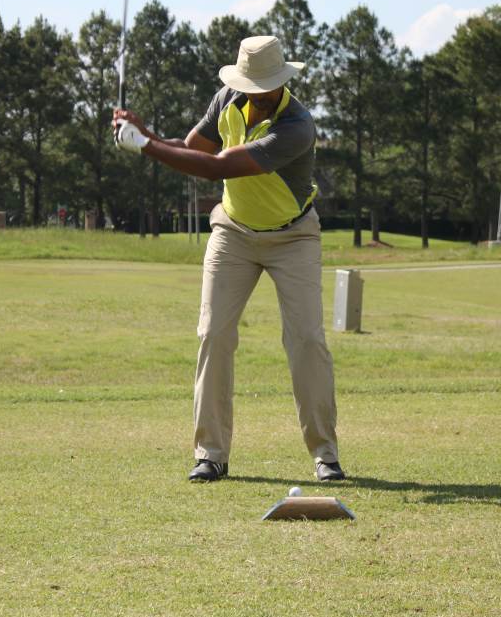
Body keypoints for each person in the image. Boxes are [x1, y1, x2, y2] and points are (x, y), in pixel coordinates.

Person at [112, 35, 344, 483]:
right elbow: (195, 148)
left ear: (280, 84)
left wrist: (143, 147)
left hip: (293, 237)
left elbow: (218, 167)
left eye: (262, 86)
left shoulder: (297, 125)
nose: (253, 92)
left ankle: (326, 454)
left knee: (307, 341)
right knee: (213, 333)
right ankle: (211, 453)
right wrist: (147, 134)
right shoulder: (228, 97)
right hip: (233, 232)